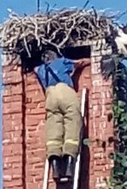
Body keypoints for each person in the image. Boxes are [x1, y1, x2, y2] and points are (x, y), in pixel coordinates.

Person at [34, 50, 90, 181]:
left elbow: (35, 69)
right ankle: (69, 161)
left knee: (53, 128)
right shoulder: (62, 61)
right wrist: (91, 60)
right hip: (64, 91)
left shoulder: (40, 69)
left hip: (50, 96)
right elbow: (79, 63)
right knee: (73, 120)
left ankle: (55, 165)